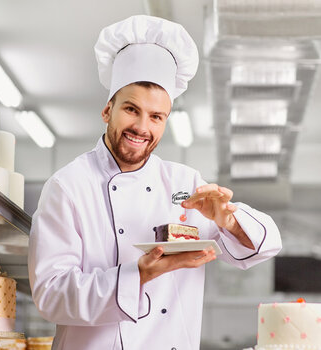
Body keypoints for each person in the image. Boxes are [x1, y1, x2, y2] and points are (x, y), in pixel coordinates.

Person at [28, 15, 282, 350]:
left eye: (156, 116)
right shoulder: (68, 186)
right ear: (107, 110)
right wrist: (140, 274)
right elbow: (51, 295)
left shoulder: (184, 183)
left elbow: (264, 247)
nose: (142, 127)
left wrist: (228, 221)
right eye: (131, 109)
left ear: (165, 121)